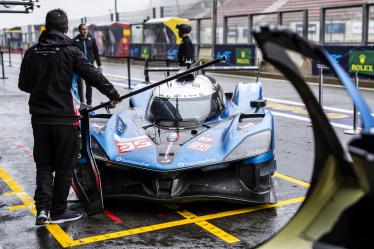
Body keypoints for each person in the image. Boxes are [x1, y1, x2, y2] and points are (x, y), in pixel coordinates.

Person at [18, 9, 120, 225]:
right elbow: (93, 75)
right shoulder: (71, 51)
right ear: (66, 28)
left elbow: (23, 85)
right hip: (65, 118)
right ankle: (58, 211)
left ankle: (42, 211)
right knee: (65, 166)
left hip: (40, 119)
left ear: (46, 28)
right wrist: (112, 94)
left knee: (44, 165)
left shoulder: (32, 52)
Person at [72, 23, 101, 106]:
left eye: (86, 29)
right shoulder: (74, 41)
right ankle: (81, 104)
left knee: (89, 86)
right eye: (83, 29)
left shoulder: (91, 39)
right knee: (79, 87)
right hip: (79, 67)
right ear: (79, 30)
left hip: (89, 66)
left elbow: (96, 53)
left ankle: (89, 105)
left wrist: (99, 65)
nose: (85, 31)